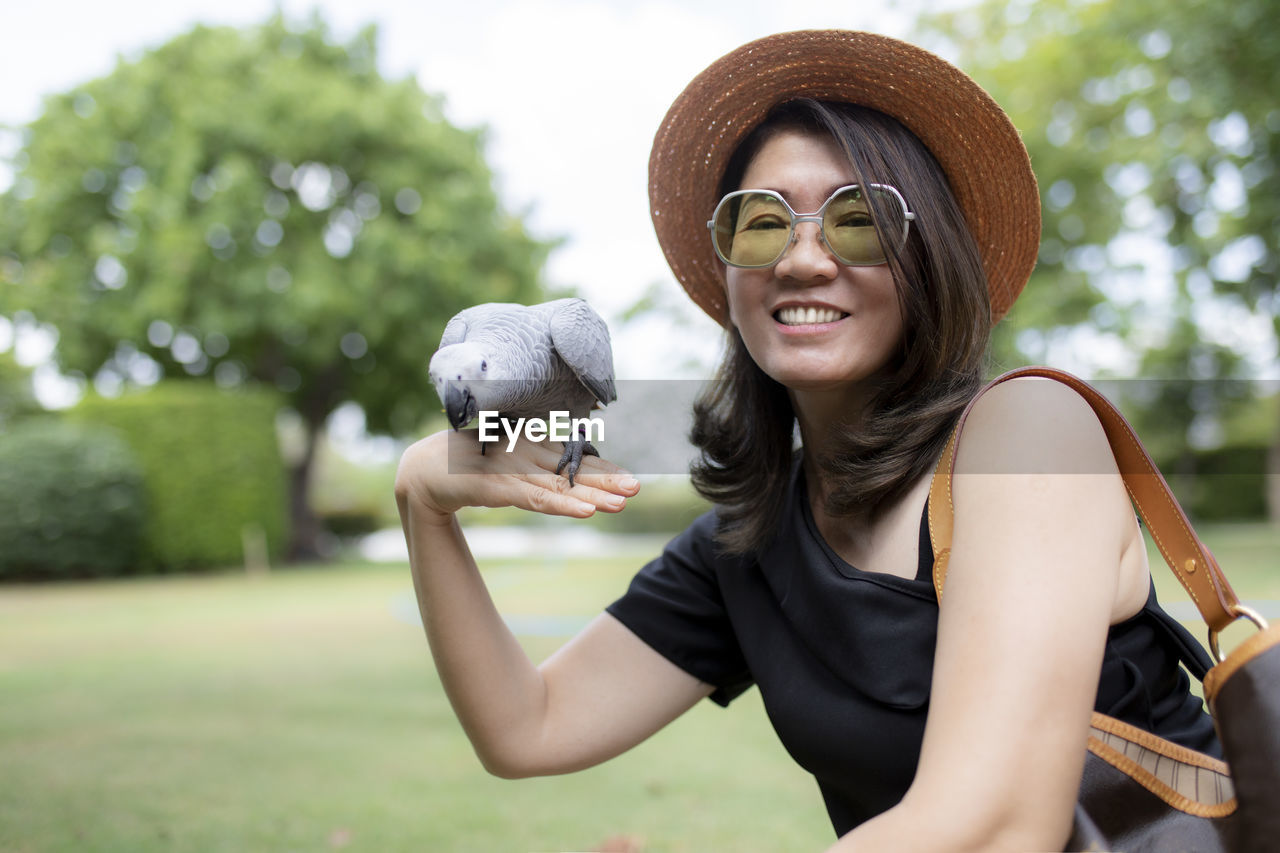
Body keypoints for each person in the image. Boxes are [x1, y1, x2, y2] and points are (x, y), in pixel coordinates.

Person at [395, 30, 1220, 851]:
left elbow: (999, 825)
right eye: (761, 224)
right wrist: (422, 497)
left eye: (859, 220)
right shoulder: (748, 541)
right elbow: (528, 727)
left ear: (929, 258)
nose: (803, 258)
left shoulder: (1031, 433)